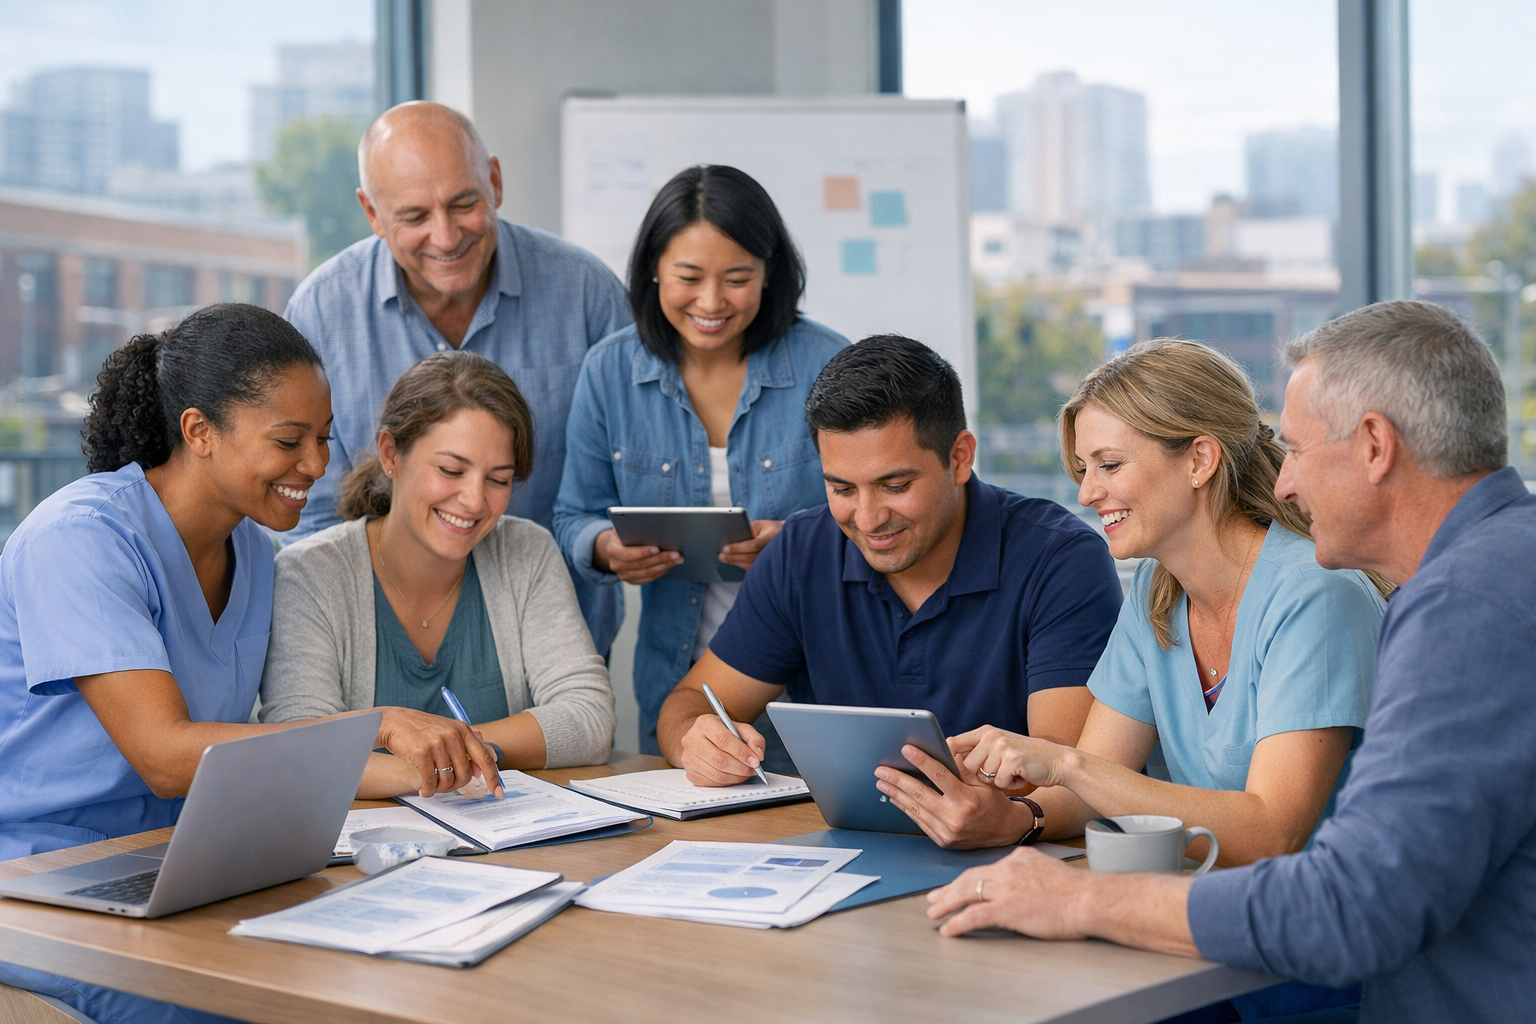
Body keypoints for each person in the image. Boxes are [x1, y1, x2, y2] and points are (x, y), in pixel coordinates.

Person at [926, 300, 1536, 1024]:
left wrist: (1086, 896)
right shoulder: (1487, 574)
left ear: (1375, 445)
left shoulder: (1464, 606)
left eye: (1300, 451)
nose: (1283, 482)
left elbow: (1350, 902)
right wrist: (1016, 817)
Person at [0, 304, 498, 1024]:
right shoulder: (81, 540)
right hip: (38, 877)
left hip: (180, 864)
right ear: (198, 431)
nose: (317, 465)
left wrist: (433, 778)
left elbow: (264, 758)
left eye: (324, 439)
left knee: (394, 972)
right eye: (290, 440)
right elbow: (169, 757)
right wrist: (382, 723)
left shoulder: (257, 556)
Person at [880, 339, 1385, 1020]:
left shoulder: (1316, 595)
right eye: (1084, 468)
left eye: (1110, 465)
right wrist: (1014, 815)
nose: (1088, 493)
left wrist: (1060, 762)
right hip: (1197, 947)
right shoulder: (1158, 589)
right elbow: (1091, 789)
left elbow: (1272, 833)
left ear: (1200, 459)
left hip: (1316, 973)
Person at [657, 335, 1123, 790]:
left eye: (895, 486)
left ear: (959, 458)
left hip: (1017, 854)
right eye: (841, 489)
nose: (868, 519)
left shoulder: (1061, 560)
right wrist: (694, 742)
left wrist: (995, 815)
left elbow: (1069, 772)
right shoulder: (800, 550)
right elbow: (686, 705)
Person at [283, 100, 631, 655]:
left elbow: (623, 475)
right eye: (414, 217)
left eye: (463, 203)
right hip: (380, 649)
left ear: (494, 181)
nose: (445, 238)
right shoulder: (321, 312)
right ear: (371, 213)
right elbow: (308, 516)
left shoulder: (588, 295)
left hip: (555, 647)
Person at [553, 165, 847, 755]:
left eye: (737, 278)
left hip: (812, 687)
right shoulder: (610, 371)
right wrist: (607, 551)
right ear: (654, 269)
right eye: (688, 277)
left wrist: (798, 544)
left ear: (770, 275)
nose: (711, 302)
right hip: (680, 689)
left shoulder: (827, 363)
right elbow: (571, 516)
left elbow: (874, 518)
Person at [261, 351, 615, 772]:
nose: (474, 500)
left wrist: (454, 750)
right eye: (451, 470)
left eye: (499, 479)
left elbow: (590, 717)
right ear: (390, 454)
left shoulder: (527, 552)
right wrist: (459, 756)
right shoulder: (310, 574)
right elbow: (303, 745)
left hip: (506, 837)